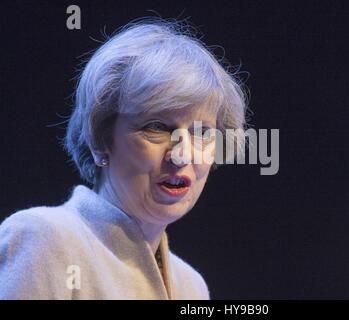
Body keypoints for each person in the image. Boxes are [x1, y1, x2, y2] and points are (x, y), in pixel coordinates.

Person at [0, 18, 248, 299]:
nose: (182, 154)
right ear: (101, 139)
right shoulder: (44, 239)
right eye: (156, 127)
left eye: (202, 133)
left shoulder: (191, 286)